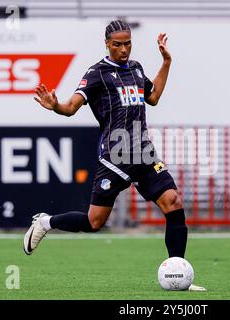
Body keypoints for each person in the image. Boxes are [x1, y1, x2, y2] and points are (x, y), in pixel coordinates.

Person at [24, 20, 205, 291]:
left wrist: (166, 63)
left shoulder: (135, 68)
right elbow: (72, 107)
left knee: (173, 202)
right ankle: (46, 222)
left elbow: (152, 97)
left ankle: (178, 273)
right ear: (107, 44)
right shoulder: (97, 73)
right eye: (117, 44)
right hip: (115, 156)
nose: (123, 49)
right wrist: (56, 106)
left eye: (127, 43)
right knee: (94, 222)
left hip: (143, 151)